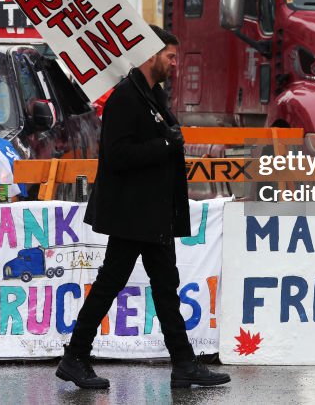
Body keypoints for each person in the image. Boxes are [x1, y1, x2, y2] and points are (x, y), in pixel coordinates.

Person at [56, 26, 230, 390]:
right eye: (169, 56)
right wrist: (165, 146)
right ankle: (75, 358)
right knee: (110, 283)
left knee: (167, 287)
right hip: (132, 215)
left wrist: (168, 141)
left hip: (154, 213)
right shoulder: (125, 98)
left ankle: (184, 365)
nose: (174, 63)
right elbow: (117, 156)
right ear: (150, 55)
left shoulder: (154, 95)